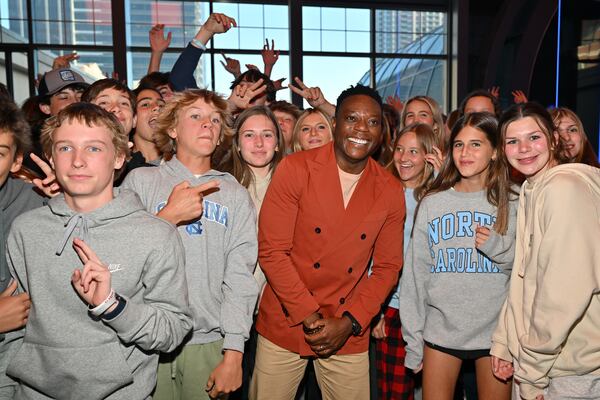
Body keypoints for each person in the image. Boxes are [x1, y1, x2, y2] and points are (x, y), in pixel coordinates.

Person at [3, 102, 192, 399]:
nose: (77, 161)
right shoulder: (26, 230)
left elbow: (173, 331)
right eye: (65, 148)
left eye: (93, 149)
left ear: (118, 157)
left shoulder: (155, 234)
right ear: (51, 157)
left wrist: (111, 305)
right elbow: (15, 327)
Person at [250, 85, 405, 400]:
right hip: (288, 314)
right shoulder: (296, 169)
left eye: (373, 122)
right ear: (335, 123)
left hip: (347, 321)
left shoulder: (389, 189)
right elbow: (272, 251)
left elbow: (388, 267)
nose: (362, 129)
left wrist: (350, 323)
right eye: (352, 118)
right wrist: (309, 315)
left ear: (383, 131)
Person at [122, 89, 259, 400]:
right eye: (195, 117)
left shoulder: (233, 193)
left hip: (209, 341)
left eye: (214, 119)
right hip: (146, 338)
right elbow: (123, 258)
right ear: (172, 129)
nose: (207, 125)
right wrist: (166, 216)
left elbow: (239, 277)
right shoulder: (140, 182)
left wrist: (235, 352)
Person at [400, 112, 517, 400]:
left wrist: (494, 246)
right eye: (459, 145)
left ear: (495, 151)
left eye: (476, 144)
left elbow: (525, 272)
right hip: (441, 332)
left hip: (496, 335)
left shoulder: (512, 200)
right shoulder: (433, 202)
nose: (465, 153)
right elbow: (416, 278)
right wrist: (414, 343)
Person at [491, 103, 600, 400]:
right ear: (502, 149)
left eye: (534, 138)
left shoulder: (563, 189)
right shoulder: (533, 187)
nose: (524, 148)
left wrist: (532, 371)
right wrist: (505, 341)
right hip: (545, 363)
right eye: (513, 141)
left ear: (553, 139)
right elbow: (524, 279)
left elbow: (563, 294)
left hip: (572, 370)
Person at [372, 123, 438, 399]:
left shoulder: (437, 196)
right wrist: (376, 309)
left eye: (413, 151)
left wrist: (444, 175)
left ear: (429, 156)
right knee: (393, 389)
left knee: (432, 386)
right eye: (399, 149)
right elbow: (370, 253)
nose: (404, 157)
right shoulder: (383, 191)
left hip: (429, 307)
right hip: (392, 305)